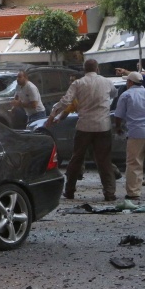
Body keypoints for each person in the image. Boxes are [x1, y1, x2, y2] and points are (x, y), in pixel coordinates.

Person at [46, 59, 118, 201]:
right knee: (104, 160)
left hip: (84, 126)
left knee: (76, 158)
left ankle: (70, 190)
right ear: (97, 69)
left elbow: (66, 100)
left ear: (84, 69)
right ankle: (109, 192)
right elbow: (114, 94)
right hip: (103, 126)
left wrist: (52, 115)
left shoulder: (78, 83)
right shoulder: (107, 82)